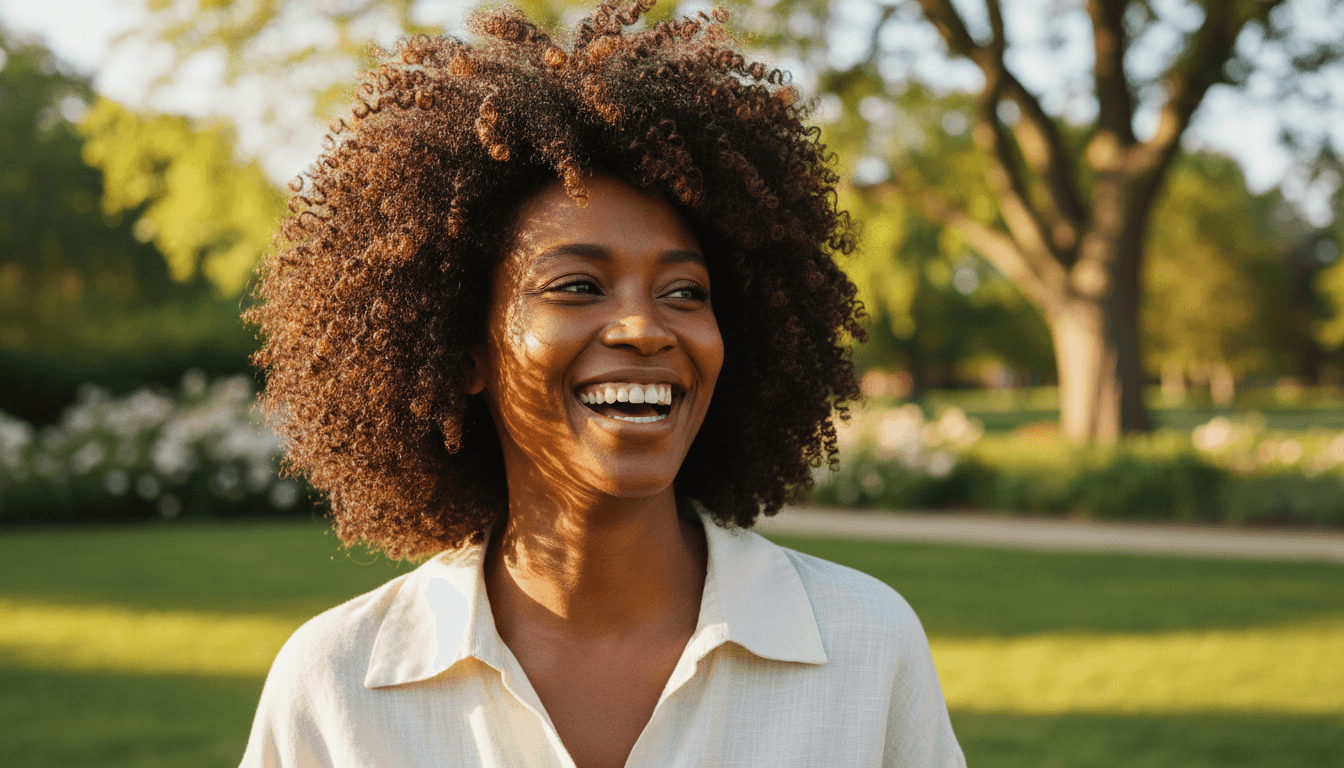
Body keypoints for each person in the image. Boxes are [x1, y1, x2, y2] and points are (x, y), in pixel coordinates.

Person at [240, 1, 965, 766]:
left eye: (685, 292)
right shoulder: (338, 686)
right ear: (465, 352)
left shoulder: (865, 648)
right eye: (578, 286)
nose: (645, 328)